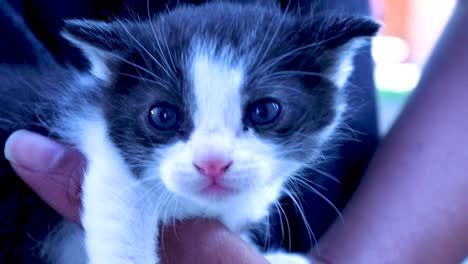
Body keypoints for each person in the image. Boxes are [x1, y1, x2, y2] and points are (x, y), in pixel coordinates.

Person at [5, 0, 468, 263]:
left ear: (330, 82)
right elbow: (114, 194)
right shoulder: (104, 134)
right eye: (167, 120)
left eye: (263, 113)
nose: (212, 157)